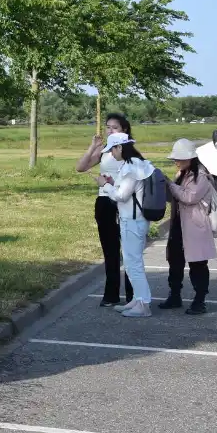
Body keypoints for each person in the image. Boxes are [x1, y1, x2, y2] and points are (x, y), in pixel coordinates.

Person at [75, 114, 135, 308]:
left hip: (124, 201)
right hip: (104, 201)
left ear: (124, 130)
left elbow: (134, 178)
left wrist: (112, 183)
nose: (110, 131)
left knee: (128, 250)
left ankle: (133, 294)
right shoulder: (104, 151)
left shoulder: (129, 151)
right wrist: (93, 146)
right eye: (108, 127)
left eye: (115, 127)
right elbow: (80, 167)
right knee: (110, 250)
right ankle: (111, 294)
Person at [95, 132, 155, 318]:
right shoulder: (136, 164)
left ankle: (143, 304)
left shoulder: (131, 168)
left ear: (120, 147)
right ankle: (137, 300)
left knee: (133, 263)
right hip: (133, 219)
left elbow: (121, 196)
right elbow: (125, 190)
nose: (111, 154)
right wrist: (113, 183)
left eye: (113, 149)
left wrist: (104, 186)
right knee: (131, 262)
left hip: (133, 221)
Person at [160, 139, 217, 315]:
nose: (176, 161)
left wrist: (169, 184)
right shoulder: (183, 173)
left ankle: (199, 300)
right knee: (175, 261)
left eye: (179, 158)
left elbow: (189, 197)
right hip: (179, 223)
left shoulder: (201, 176)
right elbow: (177, 196)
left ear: (190, 158)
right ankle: (175, 295)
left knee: (198, 265)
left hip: (195, 225)